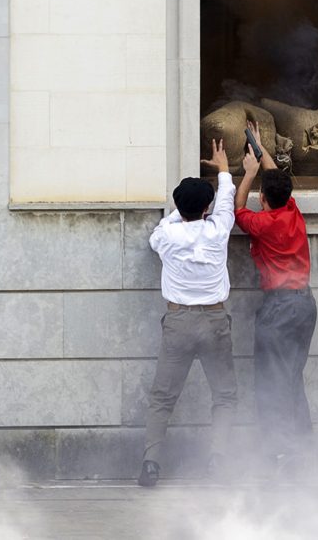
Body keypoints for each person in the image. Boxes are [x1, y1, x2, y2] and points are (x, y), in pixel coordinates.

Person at [138, 139, 238, 487]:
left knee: (163, 397)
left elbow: (158, 235)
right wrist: (224, 169)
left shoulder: (166, 235)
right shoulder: (218, 230)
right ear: (207, 207)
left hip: (178, 321)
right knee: (224, 395)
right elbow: (226, 202)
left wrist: (182, 211)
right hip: (214, 320)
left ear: (178, 207)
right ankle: (219, 460)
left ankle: (151, 462)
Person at [233, 122, 317, 476]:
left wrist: (248, 174)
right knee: (292, 376)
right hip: (305, 305)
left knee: (271, 381)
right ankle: (302, 447)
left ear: (264, 199)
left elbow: (238, 210)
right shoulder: (292, 211)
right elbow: (276, 178)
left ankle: (280, 454)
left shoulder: (264, 223)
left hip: (279, 308)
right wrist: (260, 147)